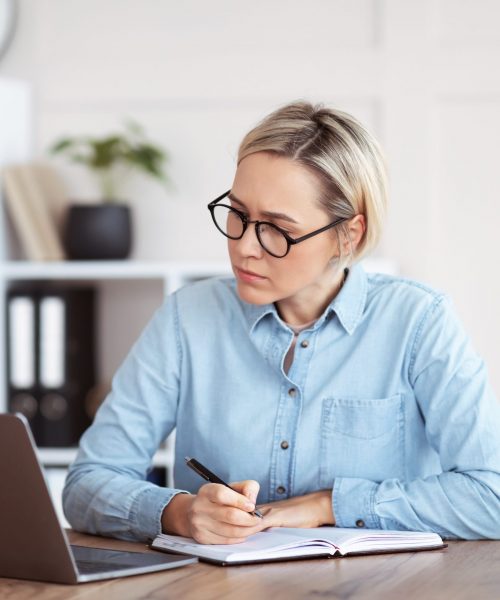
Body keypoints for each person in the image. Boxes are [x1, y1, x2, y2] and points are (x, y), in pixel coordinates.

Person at [63, 101, 500, 544]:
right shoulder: (187, 318)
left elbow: (492, 496)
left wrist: (328, 505)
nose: (245, 247)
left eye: (277, 228)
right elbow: (87, 483)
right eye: (237, 213)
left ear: (350, 234)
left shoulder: (419, 323)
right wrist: (181, 512)